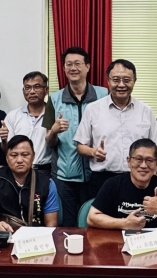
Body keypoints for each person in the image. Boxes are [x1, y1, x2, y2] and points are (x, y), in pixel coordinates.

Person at [74, 59, 157, 197]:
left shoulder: (146, 111)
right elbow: (80, 146)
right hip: (102, 179)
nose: (121, 85)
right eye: (116, 80)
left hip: (139, 179)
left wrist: (152, 174)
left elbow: (156, 146)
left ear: (134, 81)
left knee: (140, 212)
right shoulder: (93, 109)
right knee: (99, 212)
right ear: (108, 81)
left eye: (127, 80)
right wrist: (93, 152)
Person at [49, 46, 108, 227]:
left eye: (77, 64)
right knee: (68, 225)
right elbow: (48, 142)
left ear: (88, 66)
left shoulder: (104, 94)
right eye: (68, 64)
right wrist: (54, 131)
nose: (73, 68)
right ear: (64, 68)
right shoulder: (53, 99)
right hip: (65, 177)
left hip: (98, 173)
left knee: (95, 224)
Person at [86, 138, 157, 230]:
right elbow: (92, 218)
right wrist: (124, 223)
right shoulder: (112, 184)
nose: (143, 165)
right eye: (138, 159)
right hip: (118, 239)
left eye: (149, 160)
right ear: (129, 161)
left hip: (156, 240)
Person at [0, 135, 59, 231]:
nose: (19, 160)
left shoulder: (47, 183)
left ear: (33, 156)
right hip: (5, 233)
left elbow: (51, 224)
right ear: (6, 158)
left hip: (35, 234)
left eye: (25, 155)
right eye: (14, 155)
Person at [0, 71, 58, 181]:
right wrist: (4, 140)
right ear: (23, 91)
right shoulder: (13, 116)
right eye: (27, 88)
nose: (32, 91)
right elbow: (6, 149)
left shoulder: (54, 115)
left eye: (37, 87)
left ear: (46, 90)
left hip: (46, 171)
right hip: (18, 172)